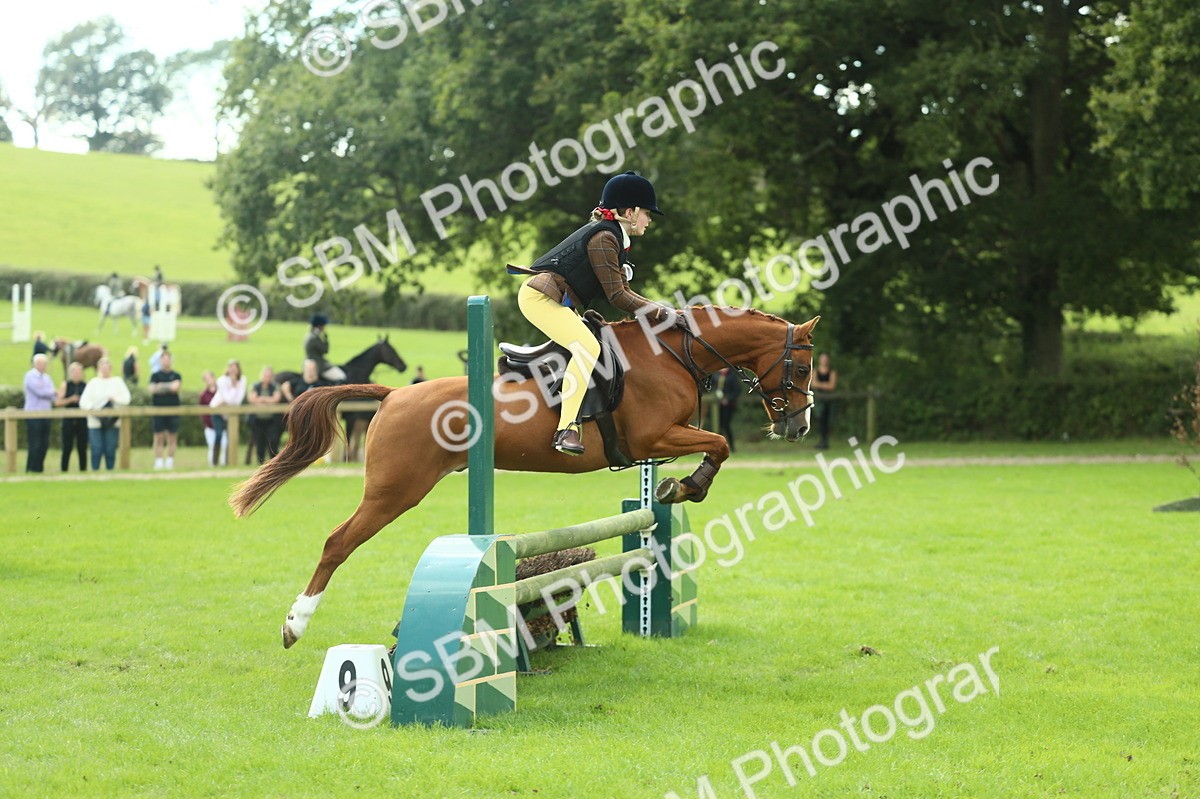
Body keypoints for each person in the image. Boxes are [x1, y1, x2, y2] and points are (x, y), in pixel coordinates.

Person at [510, 170, 684, 455]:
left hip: (553, 299)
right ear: (630, 212)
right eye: (647, 213)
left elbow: (622, 292)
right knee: (588, 349)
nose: (649, 220)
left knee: (596, 344)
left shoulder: (614, 237)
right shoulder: (605, 237)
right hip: (539, 298)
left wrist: (660, 311)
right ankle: (566, 429)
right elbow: (618, 296)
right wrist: (662, 314)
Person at [79, 357, 131, 471]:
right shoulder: (93, 383)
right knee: (96, 449)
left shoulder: (117, 381)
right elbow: (84, 402)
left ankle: (110, 471)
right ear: (98, 368)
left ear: (110, 368)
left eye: (107, 366)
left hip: (112, 422)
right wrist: (94, 409)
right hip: (95, 422)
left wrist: (114, 399)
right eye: (102, 366)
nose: (105, 368)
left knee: (110, 449)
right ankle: (95, 471)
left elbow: (126, 399)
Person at [209, 359, 246, 467]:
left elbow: (237, 401)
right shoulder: (222, 380)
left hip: (231, 413)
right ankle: (215, 462)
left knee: (232, 437)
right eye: (231, 368)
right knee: (219, 435)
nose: (233, 370)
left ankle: (228, 462)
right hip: (218, 411)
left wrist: (234, 387)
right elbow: (228, 398)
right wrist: (234, 389)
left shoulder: (242, 380)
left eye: (235, 368)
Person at [22, 353, 56, 473]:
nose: (43, 366)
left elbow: (53, 397)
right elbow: (41, 392)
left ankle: (39, 469)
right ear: (34, 364)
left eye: (44, 363)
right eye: (40, 363)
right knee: (34, 443)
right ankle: (31, 468)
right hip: (33, 414)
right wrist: (51, 392)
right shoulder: (29, 376)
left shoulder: (47, 378)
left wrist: (51, 392)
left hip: (46, 414)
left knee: (44, 444)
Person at [149, 352, 182, 470]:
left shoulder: (176, 375)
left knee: (172, 437)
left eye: (168, 359)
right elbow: (152, 389)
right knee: (159, 437)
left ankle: (170, 461)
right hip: (158, 411)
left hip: (173, 410)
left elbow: (176, 387)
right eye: (164, 359)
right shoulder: (155, 375)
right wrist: (168, 386)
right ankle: (158, 461)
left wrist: (160, 386)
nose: (166, 361)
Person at [56, 361, 89, 472]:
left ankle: (83, 470)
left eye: (80, 372)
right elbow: (58, 402)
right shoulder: (66, 384)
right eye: (75, 372)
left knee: (82, 447)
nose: (77, 374)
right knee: (67, 447)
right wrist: (70, 399)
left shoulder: (85, 386)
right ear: (71, 373)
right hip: (68, 420)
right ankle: (64, 470)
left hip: (82, 420)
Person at [248, 366, 283, 464]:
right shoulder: (255, 385)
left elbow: (276, 399)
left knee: (273, 441)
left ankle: (274, 464)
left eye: (270, 376)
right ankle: (260, 464)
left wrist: (261, 399)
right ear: (262, 375)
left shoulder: (275, 386)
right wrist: (269, 400)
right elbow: (252, 399)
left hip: (272, 421)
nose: (267, 378)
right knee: (260, 443)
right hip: (258, 421)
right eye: (266, 375)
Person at [304, 314, 346, 383]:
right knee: (341, 376)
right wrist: (326, 339)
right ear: (319, 326)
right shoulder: (314, 338)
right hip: (318, 365)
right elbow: (325, 350)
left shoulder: (308, 335)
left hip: (308, 363)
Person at [811, 353, 838, 450]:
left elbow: (832, 386)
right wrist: (825, 385)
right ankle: (821, 441)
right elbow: (813, 384)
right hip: (819, 401)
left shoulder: (832, 371)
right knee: (820, 420)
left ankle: (825, 441)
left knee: (827, 420)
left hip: (828, 401)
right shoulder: (815, 371)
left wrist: (820, 384)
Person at [199, 370, 222, 466]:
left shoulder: (220, 391)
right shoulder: (203, 395)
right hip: (209, 425)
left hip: (221, 423)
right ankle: (213, 464)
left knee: (224, 445)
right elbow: (202, 412)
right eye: (206, 379)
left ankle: (224, 463)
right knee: (212, 445)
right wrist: (208, 423)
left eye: (210, 378)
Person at [717, 367, 741, 454]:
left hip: (728, 406)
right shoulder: (716, 376)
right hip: (716, 406)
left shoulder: (732, 377)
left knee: (726, 426)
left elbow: (737, 390)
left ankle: (732, 446)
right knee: (717, 426)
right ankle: (718, 446)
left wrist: (728, 399)